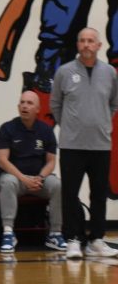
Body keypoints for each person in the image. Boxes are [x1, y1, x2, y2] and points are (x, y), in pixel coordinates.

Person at [51, 27, 118, 259]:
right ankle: (72, 240)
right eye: (82, 41)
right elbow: (56, 105)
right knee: (70, 194)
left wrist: (101, 124)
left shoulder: (110, 72)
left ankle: (96, 240)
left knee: (99, 194)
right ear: (77, 44)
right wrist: (71, 126)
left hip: (100, 145)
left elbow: (113, 104)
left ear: (99, 46)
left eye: (91, 41)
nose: (86, 44)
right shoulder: (64, 72)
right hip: (72, 146)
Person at [0, 89, 65, 254]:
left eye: (29, 103)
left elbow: (51, 161)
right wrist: (23, 179)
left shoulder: (46, 130)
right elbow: (2, 160)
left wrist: (40, 178)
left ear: (38, 109)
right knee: (6, 182)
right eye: (22, 102)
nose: (24, 106)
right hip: (17, 178)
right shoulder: (7, 128)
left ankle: (55, 233)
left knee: (57, 185)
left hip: (39, 179)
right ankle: (8, 233)